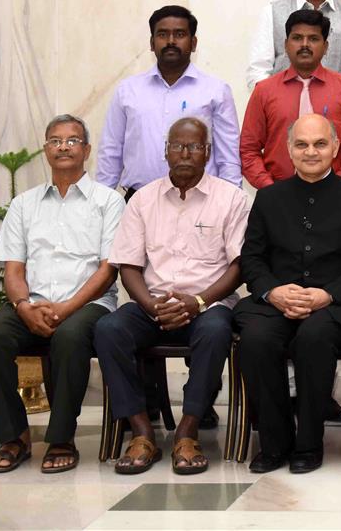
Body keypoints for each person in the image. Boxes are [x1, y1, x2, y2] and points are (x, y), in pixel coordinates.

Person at [95, 118, 249, 475]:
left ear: (207, 153)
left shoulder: (231, 199)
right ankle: (142, 431)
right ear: (166, 151)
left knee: (216, 330)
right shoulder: (143, 200)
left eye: (194, 147)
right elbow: (128, 265)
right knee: (108, 328)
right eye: (178, 146)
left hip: (208, 304)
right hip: (154, 306)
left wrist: (198, 302)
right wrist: (150, 306)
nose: (185, 153)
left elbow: (240, 265)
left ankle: (187, 430)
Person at [233, 114, 341, 474]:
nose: (310, 152)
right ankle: (274, 442)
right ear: (289, 150)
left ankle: (309, 443)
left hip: (336, 305)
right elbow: (251, 259)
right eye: (301, 144)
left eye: (319, 144)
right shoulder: (268, 199)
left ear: (335, 147)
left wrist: (326, 295)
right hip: (276, 301)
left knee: (314, 337)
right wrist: (273, 292)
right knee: (255, 339)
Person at [0, 115, 123, 474]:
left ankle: (60, 438)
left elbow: (108, 269)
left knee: (70, 338)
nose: (63, 147)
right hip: (33, 302)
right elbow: (14, 270)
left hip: (89, 304)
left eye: (72, 141)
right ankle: (15, 436)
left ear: (86, 150)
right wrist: (23, 307)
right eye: (55, 141)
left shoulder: (108, 201)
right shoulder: (24, 204)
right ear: (46, 150)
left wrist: (68, 307)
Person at [96, 6, 241, 197]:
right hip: (139, 200)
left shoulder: (215, 91)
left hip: (199, 200)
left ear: (193, 43)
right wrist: (101, 204)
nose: (171, 41)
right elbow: (111, 151)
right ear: (151, 42)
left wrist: (230, 202)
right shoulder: (128, 91)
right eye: (162, 34)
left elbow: (228, 158)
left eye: (179, 34)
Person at [240, 9, 341, 188]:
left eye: (313, 39)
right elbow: (248, 149)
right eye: (297, 38)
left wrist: (338, 187)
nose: (304, 44)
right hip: (279, 198)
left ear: (326, 46)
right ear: (286, 44)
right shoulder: (264, 91)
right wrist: (271, 190)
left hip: (336, 198)